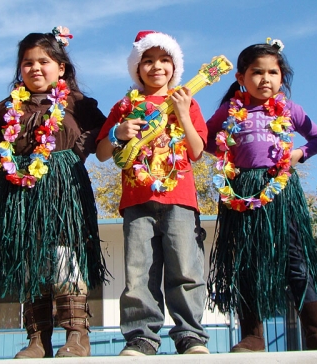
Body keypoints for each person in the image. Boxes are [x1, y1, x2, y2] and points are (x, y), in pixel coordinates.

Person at [205, 39, 317, 352]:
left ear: (282, 78)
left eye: (273, 72)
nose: (265, 78)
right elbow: (206, 138)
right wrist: (226, 156)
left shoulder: (290, 110)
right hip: (241, 190)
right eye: (257, 72)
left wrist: (298, 154)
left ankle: (316, 333)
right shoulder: (229, 110)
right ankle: (253, 336)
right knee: (245, 261)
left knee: (296, 260)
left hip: (280, 191)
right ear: (241, 77)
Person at [0, 27, 107, 359]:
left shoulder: (79, 104)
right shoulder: (6, 107)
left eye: (44, 61)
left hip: (64, 193)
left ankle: (76, 335)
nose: (35, 68)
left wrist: (72, 155)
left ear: (61, 67)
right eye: (27, 63)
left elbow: (103, 135)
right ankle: (37, 338)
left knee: (65, 259)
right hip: (20, 197)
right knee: (32, 263)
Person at [96, 30, 210, 356]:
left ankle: (190, 336)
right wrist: (118, 132)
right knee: (139, 271)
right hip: (136, 201)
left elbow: (198, 150)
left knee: (185, 269)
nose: (156, 67)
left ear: (174, 66)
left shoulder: (187, 99)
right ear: (137, 67)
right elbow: (103, 152)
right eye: (147, 60)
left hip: (179, 199)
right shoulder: (125, 105)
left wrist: (184, 113)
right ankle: (141, 337)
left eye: (164, 60)